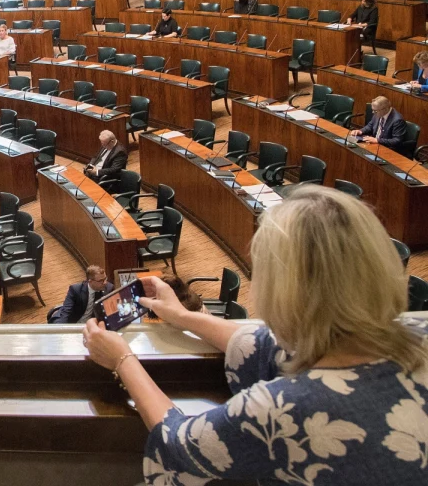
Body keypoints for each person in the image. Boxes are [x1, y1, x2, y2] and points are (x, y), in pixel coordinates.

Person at [82, 186, 427, 485]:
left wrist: (122, 360)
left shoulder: (283, 409)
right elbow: (266, 345)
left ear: (285, 292)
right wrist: (185, 317)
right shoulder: (419, 330)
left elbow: (179, 442)